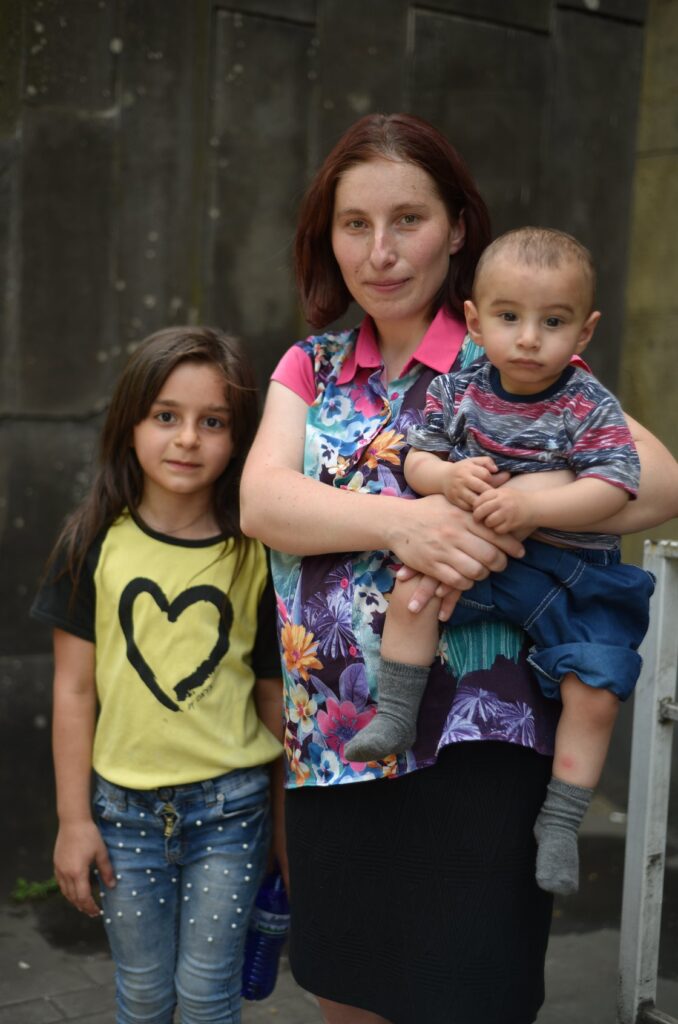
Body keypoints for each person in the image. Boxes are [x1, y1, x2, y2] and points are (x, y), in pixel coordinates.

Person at [240, 113, 678, 1024]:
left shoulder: (512, 349)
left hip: (481, 739)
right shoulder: (311, 366)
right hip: (339, 737)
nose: (381, 251)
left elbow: (659, 480)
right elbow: (262, 504)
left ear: (456, 230)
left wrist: (523, 505)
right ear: (329, 236)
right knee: (347, 994)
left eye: (408, 219)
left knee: (471, 996)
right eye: (355, 224)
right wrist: (409, 523)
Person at [343, 226, 656, 896]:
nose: (529, 339)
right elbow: (416, 459)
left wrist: (534, 505)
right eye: (509, 318)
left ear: (585, 331)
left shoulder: (587, 402)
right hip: (484, 563)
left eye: (553, 322)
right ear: (477, 322)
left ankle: (562, 818)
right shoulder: (458, 390)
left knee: (598, 690)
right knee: (414, 592)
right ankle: (395, 713)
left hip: (574, 576)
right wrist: (446, 477)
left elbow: (616, 484)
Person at [31, 327, 284, 1024]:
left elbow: (272, 692)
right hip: (122, 818)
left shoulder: (257, 553)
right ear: (130, 424)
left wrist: (288, 832)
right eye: (166, 415)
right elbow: (73, 689)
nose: (187, 439)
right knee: (142, 997)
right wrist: (73, 820)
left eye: (214, 422)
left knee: (207, 998)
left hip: (233, 812)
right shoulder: (91, 543)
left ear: (239, 437)